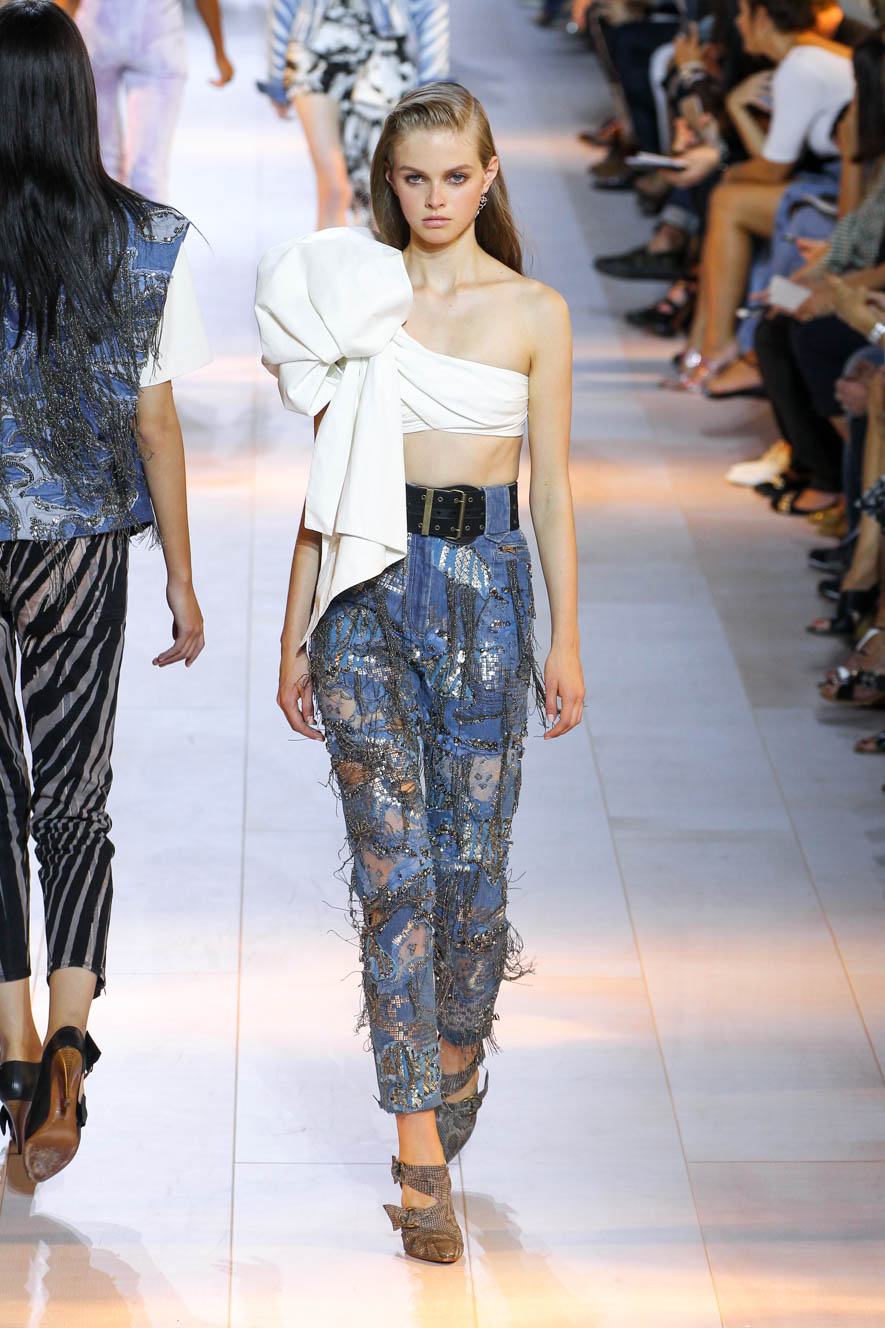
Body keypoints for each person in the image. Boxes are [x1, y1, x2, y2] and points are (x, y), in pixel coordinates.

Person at [255, 82, 584, 1262]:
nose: (435, 198)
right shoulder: (359, 300)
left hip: (488, 587)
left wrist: (568, 635)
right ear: (386, 183)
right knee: (394, 875)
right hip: (366, 587)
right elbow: (325, 476)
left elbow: (551, 488)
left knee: (471, 876)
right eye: (414, 177)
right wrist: (294, 629)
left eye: (455, 176)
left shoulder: (536, 312)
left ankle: (453, 1058)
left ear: (488, 177)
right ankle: (418, 1156)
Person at [0, 0, 208, 1184]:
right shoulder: (143, 239)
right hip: (83, 544)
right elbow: (157, 423)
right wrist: (180, 573)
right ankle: (73, 1038)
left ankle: (13, 1047)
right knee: (76, 799)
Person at [261, 0, 449, 227]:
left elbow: (431, 6)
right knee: (334, 189)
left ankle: (371, 248)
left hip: (384, 52)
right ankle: (332, 250)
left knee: (379, 191)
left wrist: (433, 83)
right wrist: (276, 75)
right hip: (314, 49)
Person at [55, 0, 234, 201]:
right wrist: (219, 51)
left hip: (104, 38)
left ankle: (110, 220)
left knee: (107, 167)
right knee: (140, 174)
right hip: (151, 38)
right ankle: (133, 220)